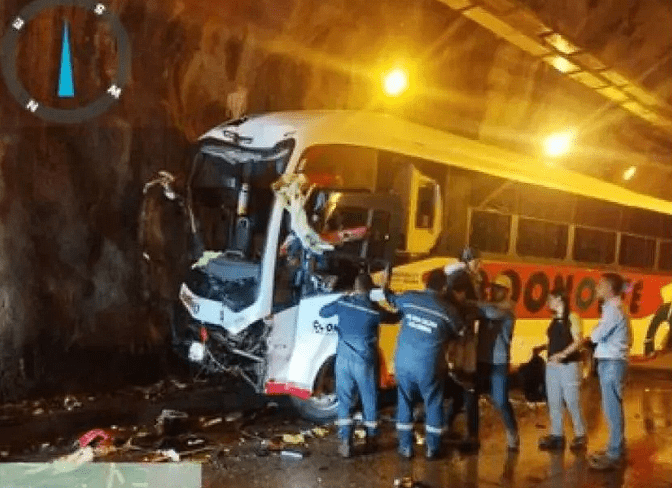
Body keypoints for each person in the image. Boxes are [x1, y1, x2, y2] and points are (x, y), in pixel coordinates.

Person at [381, 269, 465, 460]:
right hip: (430, 365)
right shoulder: (448, 310)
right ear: (444, 287)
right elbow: (460, 332)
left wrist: (385, 284)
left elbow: (391, 299)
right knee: (433, 402)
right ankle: (432, 449)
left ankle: (405, 447)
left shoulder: (410, 298)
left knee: (405, 401)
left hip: (402, 362)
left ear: (426, 284)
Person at [319, 272, 391, 458]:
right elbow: (394, 317)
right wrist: (388, 294)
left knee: (345, 400)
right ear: (370, 289)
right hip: (364, 362)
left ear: (355, 288)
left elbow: (323, 312)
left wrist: (344, 297)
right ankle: (371, 439)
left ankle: (345, 441)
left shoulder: (343, 303)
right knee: (369, 399)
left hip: (343, 360)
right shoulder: (374, 311)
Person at [466, 273, 519, 452]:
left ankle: (512, 435)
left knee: (501, 400)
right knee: (471, 396)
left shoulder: (507, 309)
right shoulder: (488, 305)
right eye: (493, 287)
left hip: (498, 362)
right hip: (482, 360)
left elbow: (490, 312)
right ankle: (472, 435)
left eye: (499, 289)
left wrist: (470, 302)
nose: (494, 291)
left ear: (507, 292)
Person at [534, 287, 587, 451]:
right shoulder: (554, 319)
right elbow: (555, 339)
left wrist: (562, 355)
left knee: (572, 401)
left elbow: (578, 341)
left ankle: (580, 435)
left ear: (560, 299)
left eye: (551, 299)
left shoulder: (573, 318)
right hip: (552, 366)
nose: (548, 302)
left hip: (569, 366)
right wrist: (544, 348)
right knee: (554, 402)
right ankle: (557, 435)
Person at [587, 273, 631, 470]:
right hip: (614, 361)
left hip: (612, 362)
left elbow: (597, 335)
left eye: (600, 285)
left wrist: (590, 334)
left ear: (609, 289)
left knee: (611, 408)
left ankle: (613, 454)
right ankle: (616, 447)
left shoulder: (613, 310)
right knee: (614, 406)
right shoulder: (615, 308)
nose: (597, 288)